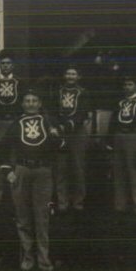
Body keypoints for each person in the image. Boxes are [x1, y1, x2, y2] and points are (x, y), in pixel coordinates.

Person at [0, 88, 63, 271]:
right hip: (22, 170)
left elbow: (62, 147)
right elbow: (2, 147)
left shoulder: (49, 121)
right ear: (22, 104)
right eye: (27, 100)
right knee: (23, 217)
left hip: (43, 171)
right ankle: (27, 258)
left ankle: (43, 259)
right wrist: (8, 171)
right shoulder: (16, 123)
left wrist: (56, 137)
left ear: (40, 103)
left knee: (42, 217)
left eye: (35, 100)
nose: (31, 103)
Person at [107, 74, 136, 215]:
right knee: (118, 172)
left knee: (134, 172)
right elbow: (112, 123)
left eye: (130, 84)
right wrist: (110, 143)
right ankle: (120, 206)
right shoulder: (119, 103)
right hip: (118, 137)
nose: (127, 87)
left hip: (133, 138)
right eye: (125, 85)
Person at [52, 65, 93, 211]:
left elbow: (82, 113)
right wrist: (57, 127)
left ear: (78, 77)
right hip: (61, 133)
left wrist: (68, 126)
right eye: (68, 73)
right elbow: (53, 112)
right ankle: (62, 202)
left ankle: (78, 203)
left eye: (73, 74)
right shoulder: (58, 92)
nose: (70, 76)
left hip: (77, 134)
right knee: (61, 168)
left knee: (78, 168)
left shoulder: (84, 93)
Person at [0, 50, 23, 206]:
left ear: (13, 65)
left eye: (8, 63)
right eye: (3, 63)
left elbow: (23, 106)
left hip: (15, 124)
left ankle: (16, 200)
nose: (6, 66)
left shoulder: (20, 83)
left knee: (14, 158)